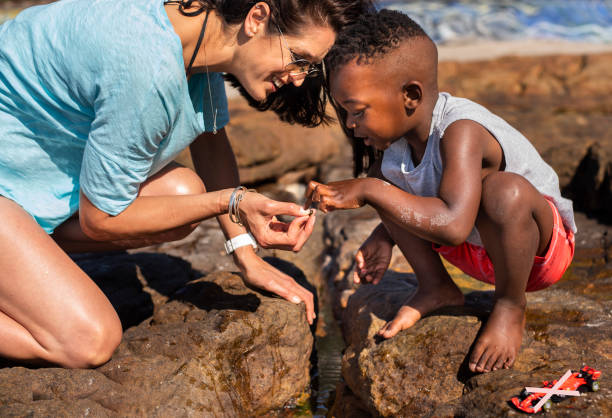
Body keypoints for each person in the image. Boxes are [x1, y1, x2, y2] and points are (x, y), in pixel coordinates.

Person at [0, 0, 374, 368]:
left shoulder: (193, 32)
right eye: (299, 58)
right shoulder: (147, 66)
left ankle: (23, 260)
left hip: (22, 175)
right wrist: (229, 201)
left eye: (309, 68)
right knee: (87, 340)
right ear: (256, 18)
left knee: (184, 197)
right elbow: (99, 219)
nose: (298, 77)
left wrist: (245, 253)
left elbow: (211, 141)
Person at [305, 9, 576, 373]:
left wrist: (369, 191)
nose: (351, 125)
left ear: (410, 96)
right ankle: (436, 288)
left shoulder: (461, 129)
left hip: (536, 253)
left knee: (502, 192)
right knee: (386, 182)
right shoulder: (394, 150)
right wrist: (384, 233)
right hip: (474, 250)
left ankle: (511, 306)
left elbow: (451, 225)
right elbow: (424, 208)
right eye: (344, 112)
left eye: (357, 111)